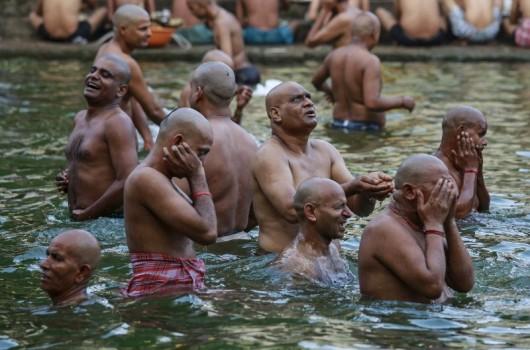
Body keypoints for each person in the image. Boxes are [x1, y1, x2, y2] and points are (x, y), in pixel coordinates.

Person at [252, 81, 394, 254]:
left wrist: (369, 190)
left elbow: (359, 208)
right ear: (276, 114)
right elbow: (291, 210)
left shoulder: (325, 150)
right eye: (297, 99)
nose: (308, 103)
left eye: (309, 98)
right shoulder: (270, 155)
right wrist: (355, 186)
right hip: (283, 266)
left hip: (330, 260)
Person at [124, 108, 217, 298]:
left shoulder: (162, 179)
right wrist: (198, 176)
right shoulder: (146, 179)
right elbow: (208, 232)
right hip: (160, 295)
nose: (203, 162)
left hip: (172, 289)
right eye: (201, 152)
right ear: (177, 142)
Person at [358, 154, 475, 303]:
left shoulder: (426, 220)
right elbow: (433, 287)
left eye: (449, 183)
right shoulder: (383, 229)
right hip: (403, 323)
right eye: (441, 185)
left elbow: (464, 284)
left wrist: (449, 222)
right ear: (410, 192)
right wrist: (434, 225)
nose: (450, 191)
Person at [179, 62, 258, 236]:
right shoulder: (251, 142)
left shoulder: (197, 140)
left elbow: (171, 201)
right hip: (241, 246)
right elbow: (256, 213)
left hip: (205, 251)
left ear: (198, 92)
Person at [56, 54, 138, 220]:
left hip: (109, 221)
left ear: (121, 90)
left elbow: (128, 179)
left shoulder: (118, 123)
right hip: (81, 218)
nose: (93, 76)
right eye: (93, 70)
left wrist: (89, 214)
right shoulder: (79, 118)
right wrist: (69, 176)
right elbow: (90, 163)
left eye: (105, 75)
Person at [312, 12, 415, 131]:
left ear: (352, 33)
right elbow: (372, 102)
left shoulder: (334, 55)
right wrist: (402, 101)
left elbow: (316, 81)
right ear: (375, 34)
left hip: (338, 123)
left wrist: (331, 92)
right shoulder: (370, 61)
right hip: (365, 127)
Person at [96, 4, 167, 150]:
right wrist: (185, 133)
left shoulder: (104, 48)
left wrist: (147, 138)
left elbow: (131, 97)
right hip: (116, 140)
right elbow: (153, 110)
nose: (149, 33)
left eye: (149, 28)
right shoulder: (126, 62)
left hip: (100, 132)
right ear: (123, 30)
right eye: (143, 29)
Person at [275, 178, 353, 284]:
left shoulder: (334, 246)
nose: (348, 214)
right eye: (339, 207)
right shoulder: (296, 268)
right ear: (311, 212)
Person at [186, 0, 261, 86]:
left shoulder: (221, 23)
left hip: (243, 75)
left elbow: (226, 61)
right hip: (246, 71)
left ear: (202, 6)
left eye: (191, 8)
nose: (191, 13)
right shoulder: (222, 16)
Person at [435, 106, 489, 219]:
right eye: (480, 134)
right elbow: (457, 215)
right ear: (461, 131)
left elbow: (484, 209)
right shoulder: (436, 168)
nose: (485, 142)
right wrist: (471, 170)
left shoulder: (465, 163)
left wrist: (477, 172)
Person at [178, 50, 253, 125]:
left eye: (230, 73)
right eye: (225, 74)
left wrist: (239, 109)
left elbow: (230, 128)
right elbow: (194, 131)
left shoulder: (219, 95)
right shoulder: (190, 93)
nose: (229, 79)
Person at [40, 229, 101, 306]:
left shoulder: (69, 315)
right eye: (47, 255)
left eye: (57, 258)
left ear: (81, 272)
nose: (43, 264)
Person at [29, 0, 107, 44]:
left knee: (32, 15)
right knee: (103, 11)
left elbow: (38, 12)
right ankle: (80, 37)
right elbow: (93, 5)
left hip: (48, 35)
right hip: (74, 34)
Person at [375, 0, 448, 46]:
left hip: (406, 39)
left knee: (380, 11)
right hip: (436, 39)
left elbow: (398, 15)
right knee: (442, 18)